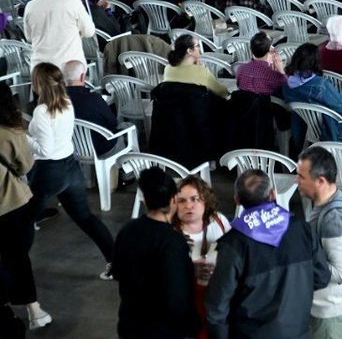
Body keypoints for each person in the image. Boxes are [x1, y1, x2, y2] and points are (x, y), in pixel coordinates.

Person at [205, 169, 327, 339]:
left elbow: (217, 306)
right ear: (272, 194)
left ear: (237, 199)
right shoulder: (301, 228)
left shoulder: (234, 243)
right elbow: (322, 277)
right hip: (297, 332)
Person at [27, 63, 115, 279]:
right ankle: (115, 261)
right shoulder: (66, 102)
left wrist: (23, 138)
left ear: (37, 83)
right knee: (85, 217)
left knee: (23, 222)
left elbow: (45, 150)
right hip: (71, 168)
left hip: (49, 171)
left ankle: (13, 274)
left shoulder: (41, 111)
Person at [112, 167, 199, 339]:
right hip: (162, 330)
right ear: (174, 199)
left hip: (130, 324)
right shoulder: (173, 241)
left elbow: (117, 272)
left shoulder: (127, 230)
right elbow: (176, 297)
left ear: (144, 199)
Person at [297, 146, 342, 339]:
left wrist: (301, 265)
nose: (296, 181)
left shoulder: (335, 218)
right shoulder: (333, 199)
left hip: (332, 312)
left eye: (301, 176)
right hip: (327, 307)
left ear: (321, 181)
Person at [0, 81, 47, 329]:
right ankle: (33, 310)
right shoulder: (10, 132)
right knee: (17, 257)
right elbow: (25, 166)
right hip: (10, 204)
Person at [172, 175, 230, 336]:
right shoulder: (169, 232)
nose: (188, 206)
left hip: (217, 302)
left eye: (194, 199)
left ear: (205, 200)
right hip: (183, 308)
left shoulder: (219, 222)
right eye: (182, 201)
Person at [23, 0, 95, 71]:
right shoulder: (74, 2)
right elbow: (89, 32)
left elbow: (29, 37)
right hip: (69, 68)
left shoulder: (30, 5)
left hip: (40, 67)